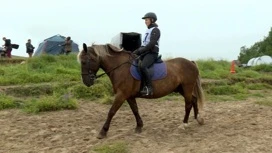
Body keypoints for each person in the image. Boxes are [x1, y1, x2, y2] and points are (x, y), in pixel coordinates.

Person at [133, 12, 161, 96]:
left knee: (143, 66)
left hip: (152, 53)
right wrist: (135, 51)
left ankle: (149, 88)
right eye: (145, 20)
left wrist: (140, 51)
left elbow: (151, 44)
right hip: (146, 52)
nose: (145, 21)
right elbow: (144, 44)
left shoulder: (155, 30)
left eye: (146, 20)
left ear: (152, 20)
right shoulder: (147, 30)